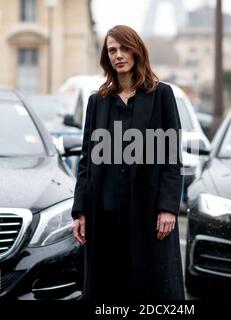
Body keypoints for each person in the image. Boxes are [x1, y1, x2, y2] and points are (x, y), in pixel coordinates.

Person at [71, 25, 185, 301]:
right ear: (106, 56)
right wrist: (80, 211)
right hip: (105, 214)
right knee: (108, 289)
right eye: (112, 50)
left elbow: (171, 158)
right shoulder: (97, 102)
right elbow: (87, 160)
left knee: (151, 289)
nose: (118, 55)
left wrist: (168, 208)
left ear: (137, 52)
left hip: (148, 214)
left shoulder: (161, 95)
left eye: (124, 48)